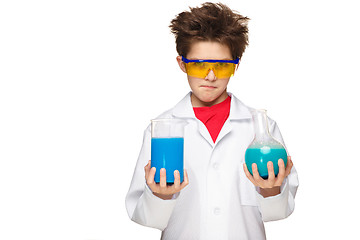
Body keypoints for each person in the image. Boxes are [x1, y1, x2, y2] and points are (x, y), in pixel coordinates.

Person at [125, 2, 298, 239]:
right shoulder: (161, 129)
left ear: (236, 65)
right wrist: (161, 195)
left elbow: (278, 212)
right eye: (198, 65)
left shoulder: (262, 129)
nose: (210, 76)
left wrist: (272, 190)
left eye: (222, 66)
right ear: (182, 64)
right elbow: (145, 217)